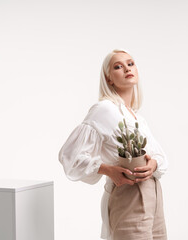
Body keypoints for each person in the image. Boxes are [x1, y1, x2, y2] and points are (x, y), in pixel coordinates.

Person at [58, 49, 169, 240]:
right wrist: (108, 170)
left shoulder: (137, 118)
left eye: (130, 63)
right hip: (129, 198)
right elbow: (70, 155)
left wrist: (154, 164)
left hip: (154, 198)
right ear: (109, 79)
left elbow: (160, 156)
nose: (127, 68)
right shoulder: (104, 110)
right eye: (118, 66)